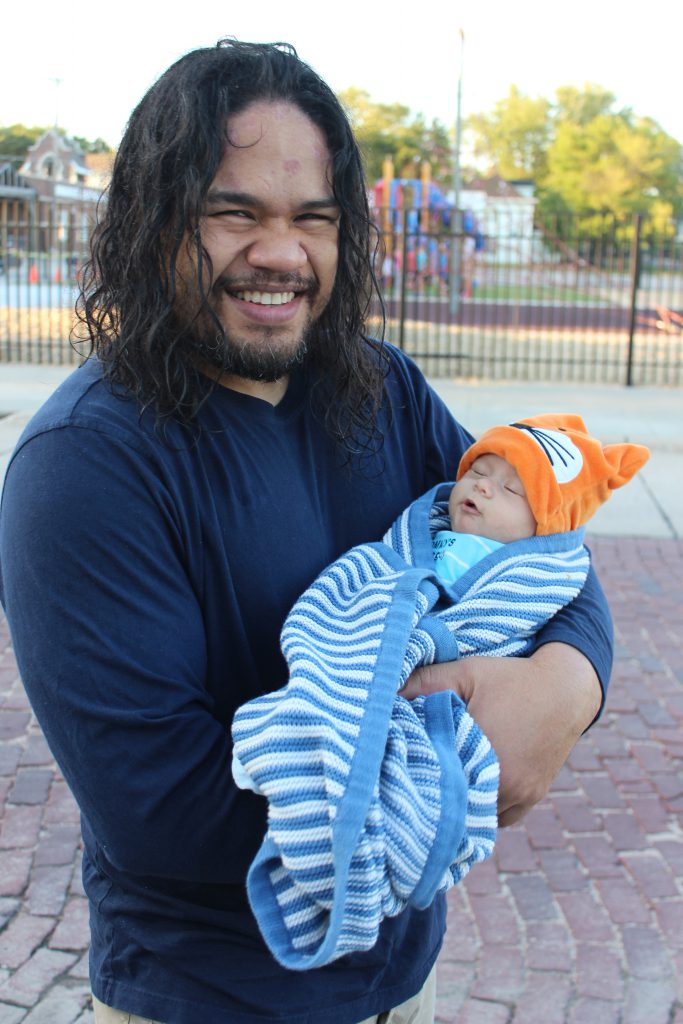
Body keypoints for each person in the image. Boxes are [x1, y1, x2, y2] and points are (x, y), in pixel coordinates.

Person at [0, 40, 612, 1024]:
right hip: (206, 998)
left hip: (397, 982)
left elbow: (547, 552)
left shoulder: (378, 388)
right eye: (233, 213)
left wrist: (561, 691)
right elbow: (157, 811)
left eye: (312, 221)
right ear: (154, 223)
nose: (281, 253)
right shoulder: (84, 465)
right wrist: (447, 779)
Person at [231, 415, 649, 970]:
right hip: (215, 968)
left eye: (511, 488)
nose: (480, 486)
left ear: (543, 529)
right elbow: (382, 575)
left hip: (438, 696)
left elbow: (566, 584)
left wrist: (571, 683)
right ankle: (317, 759)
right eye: (478, 470)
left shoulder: (526, 572)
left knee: (426, 776)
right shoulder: (427, 531)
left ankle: (369, 829)